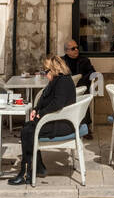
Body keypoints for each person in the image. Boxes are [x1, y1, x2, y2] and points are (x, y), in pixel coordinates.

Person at [8, 55, 77, 185]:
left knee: (28, 131)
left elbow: (57, 103)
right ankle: (37, 167)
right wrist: (35, 109)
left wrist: (41, 114)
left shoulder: (63, 82)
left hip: (63, 123)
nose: (45, 75)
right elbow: (43, 98)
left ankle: (26, 173)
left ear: (54, 69)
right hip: (55, 120)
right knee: (27, 128)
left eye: (46, 71)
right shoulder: (56, 81)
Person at [62, 39, 97, 135]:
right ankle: (64, 125)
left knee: (83, 98)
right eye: (73, 48)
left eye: (77, 47)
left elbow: (93, 73)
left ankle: (86, 127)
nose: (76, 50)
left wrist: (81, 80)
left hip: (81, 88)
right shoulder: (61, 61)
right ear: (66, 51)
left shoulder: (84, 60)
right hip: (65, 90)